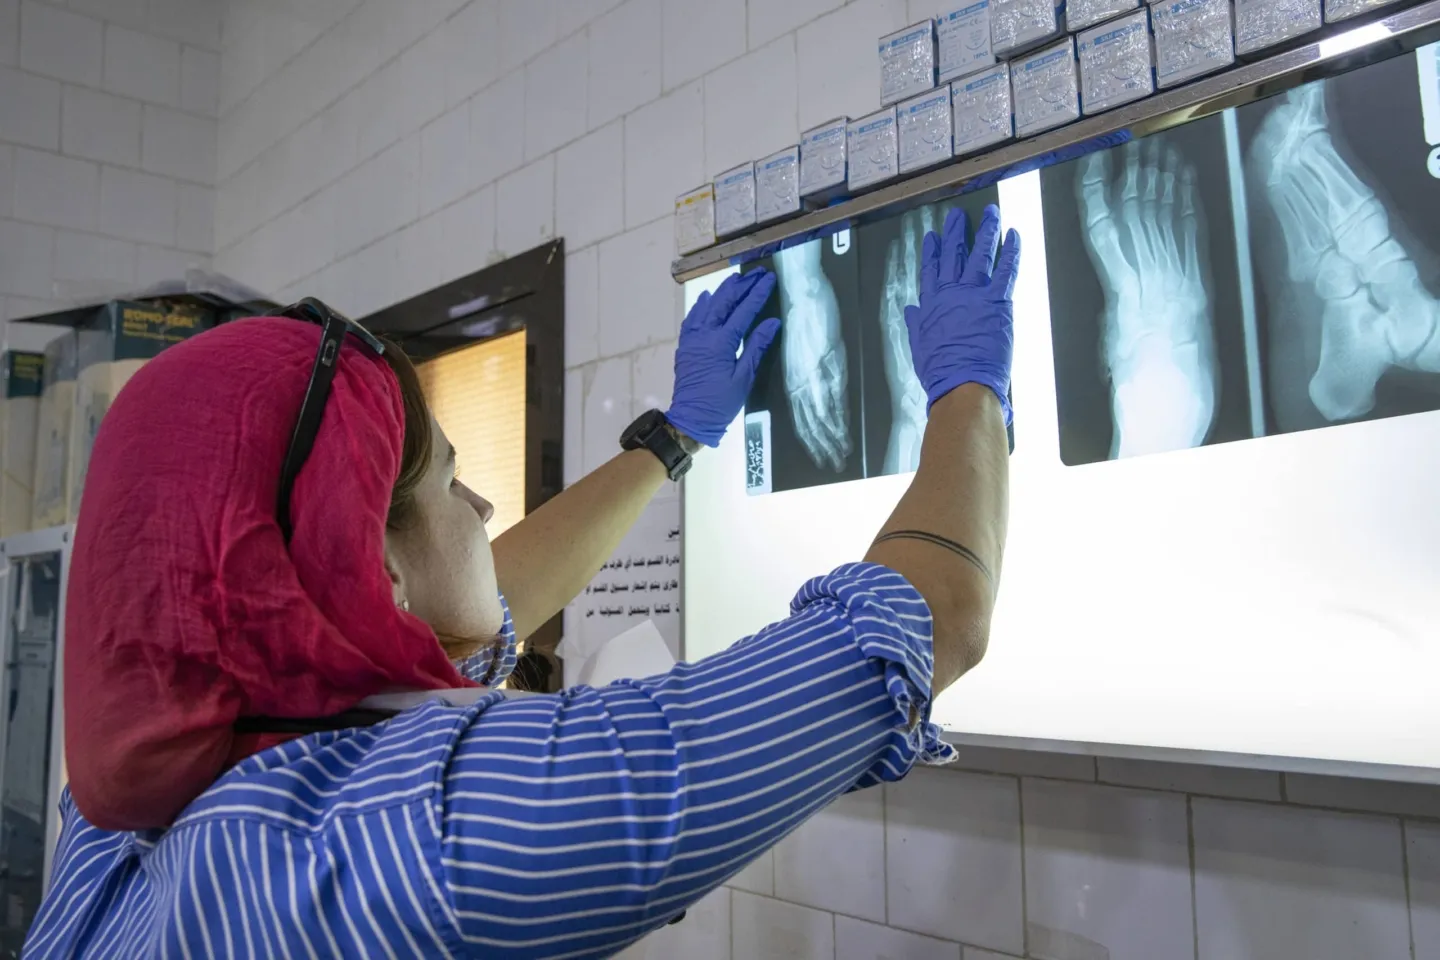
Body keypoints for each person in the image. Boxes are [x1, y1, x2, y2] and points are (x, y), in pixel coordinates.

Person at [24, 205, 1018, 958]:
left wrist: (673, 440)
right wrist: (967, 386)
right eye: (454, 483)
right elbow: (925, 626)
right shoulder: (427, 843)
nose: (485, 510)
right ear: (370, 567)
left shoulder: (119, 820)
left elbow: (469, 599)